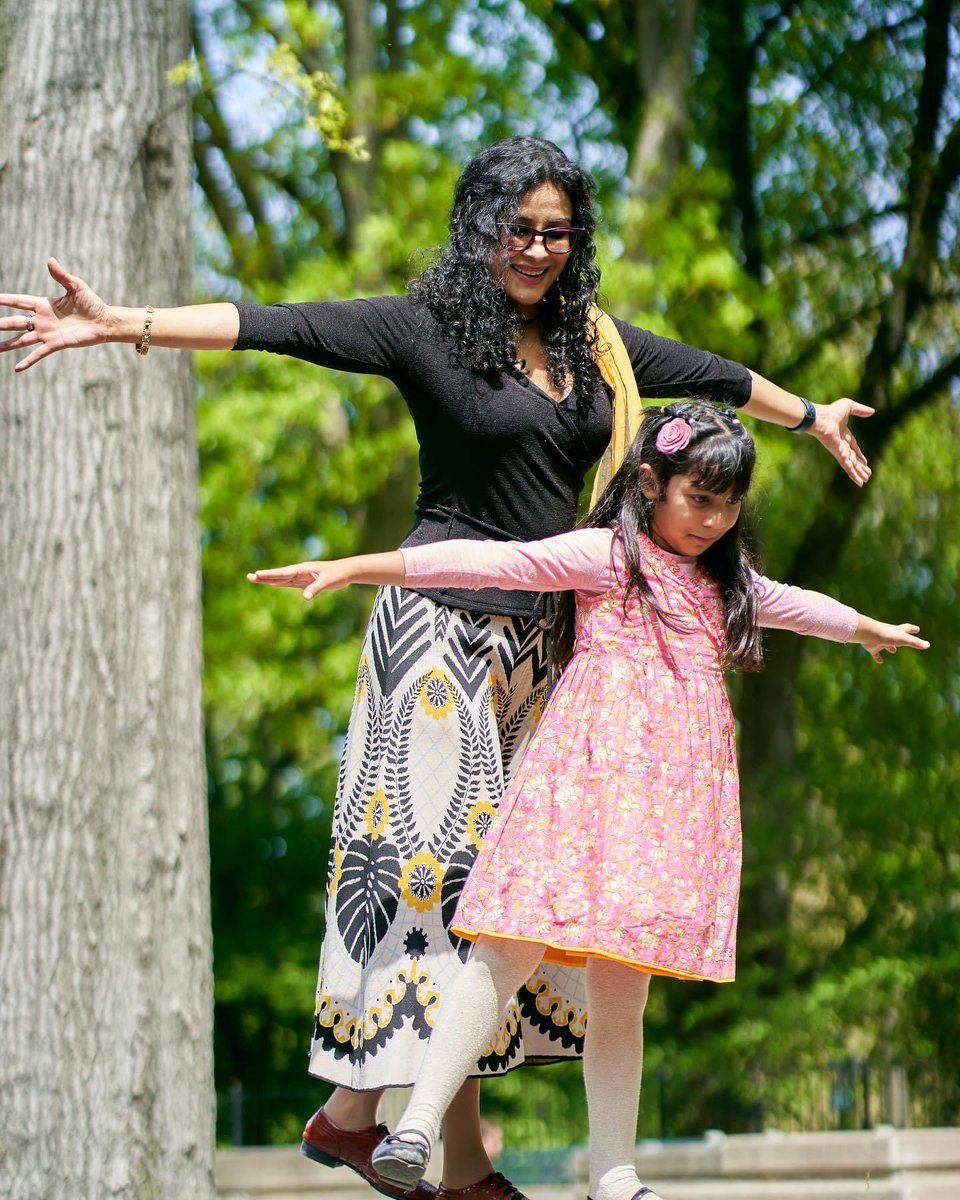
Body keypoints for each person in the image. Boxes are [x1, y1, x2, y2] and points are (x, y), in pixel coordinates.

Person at [1, 138, 875, 1200]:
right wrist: (122, 324)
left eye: (558, 230)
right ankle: (401, 1136)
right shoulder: (423, 331)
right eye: (519, 228)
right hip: (435, 633)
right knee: (445, 886)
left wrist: (812, 414)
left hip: (546, 652)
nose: (538, 248)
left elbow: (713, 373)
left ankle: (403, 1138)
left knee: (498, 900)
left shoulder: (593, 345)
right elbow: (278, 328)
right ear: (479, 227)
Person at [248, 402, 927, 1200]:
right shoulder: (611, 557)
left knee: (621, 989)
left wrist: (866, 627)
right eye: (697, 499)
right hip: (581, 790)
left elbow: (795, 603)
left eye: (730, 504)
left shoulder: (725, 585)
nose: (713, 520)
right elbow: (498, 564)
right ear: (649, 484)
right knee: (504, 951)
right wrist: (359, 569)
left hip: (666, 815)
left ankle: (615, 1172)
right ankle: (415, 1124)